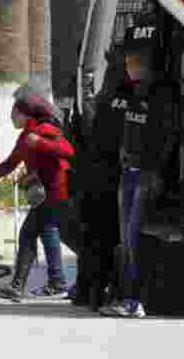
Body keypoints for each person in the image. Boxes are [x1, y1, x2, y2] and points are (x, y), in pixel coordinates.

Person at [98, 24, 181, 318]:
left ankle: (134, 300)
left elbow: (165, 140)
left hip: (145, 175)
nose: (130, 66)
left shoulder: (162, 96)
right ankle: (126, 296)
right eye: (128, 61)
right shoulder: (132, 91)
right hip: (129, 173)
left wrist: (155, 172)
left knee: (134, 240)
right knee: (126, 240)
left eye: (135, 61)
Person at [0, 83, 76, 300]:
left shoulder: (43, 131)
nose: (11, 116)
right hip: (44, 196)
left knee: (28, 233)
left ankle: (19, 286)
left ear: (25, 114)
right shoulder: (25, 137)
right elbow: (8, 165)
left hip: (54, 193)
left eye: (14, 112)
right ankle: (56, 282)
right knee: (47, 233)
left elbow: (68, 150)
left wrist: (40, 143)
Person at [74, 48, 125, 309]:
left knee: (94, 239)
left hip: (94, 179)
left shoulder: (99, 101)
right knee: (107, 238)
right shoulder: (116, 100)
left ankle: (87, 291)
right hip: (109, 180)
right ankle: (98, 291)